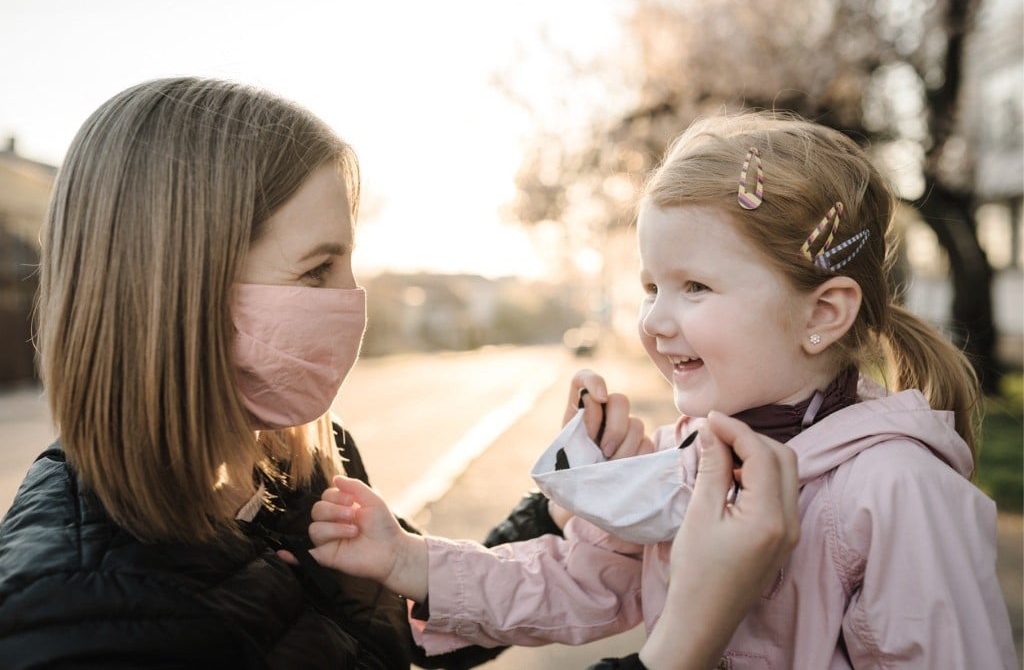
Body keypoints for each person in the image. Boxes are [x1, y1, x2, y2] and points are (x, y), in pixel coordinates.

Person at [0, 77, 799, 670]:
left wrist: (568, 505)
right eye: (317, 272)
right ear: (178, 286)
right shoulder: (75, 620)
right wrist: (691, 628)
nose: (352, 302)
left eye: (351, 264)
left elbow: (391, 638)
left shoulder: (296, 459)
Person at [307, 111, 1019, 668]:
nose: (654, 320)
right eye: (651, 287)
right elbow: (575, 581)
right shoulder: (689, 454)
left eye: (695, 287)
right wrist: (409, 559)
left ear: (823, 313)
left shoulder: (896, 488)